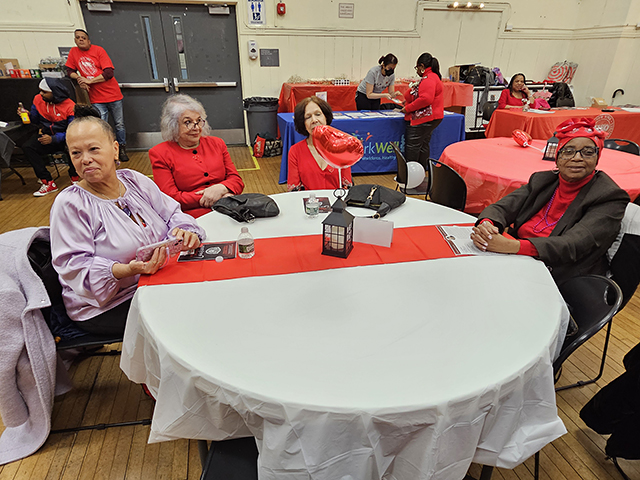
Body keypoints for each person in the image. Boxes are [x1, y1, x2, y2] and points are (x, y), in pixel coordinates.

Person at [50, 108, 204, 336]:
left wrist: (183, 231)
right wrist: (122, 271)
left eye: (93, 149)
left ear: (115, 149)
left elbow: (172, 213)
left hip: (154, 281)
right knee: (187, 315)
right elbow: (73, 267)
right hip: (108, 304)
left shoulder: (133, 180)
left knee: (207, 290)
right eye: (76, 153)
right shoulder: (71, 204)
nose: (86, 159)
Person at [471, 118, 629, 285]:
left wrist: (511, 246)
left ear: (597, 158)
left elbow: (573, 245)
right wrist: (487, 225)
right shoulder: (542, 180)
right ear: (557, 158)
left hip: (560, 273)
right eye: (568, 151)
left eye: (588, 152)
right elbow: (502, 208)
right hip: (516, 258)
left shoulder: (609, 196)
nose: (577, 158)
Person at [149, 94, 245, 218]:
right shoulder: (160, 153)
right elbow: (170, 198)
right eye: (188, 122)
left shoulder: (217, 144)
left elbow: (237, 181)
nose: (196, 128)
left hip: (229, 208)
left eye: (199, 121)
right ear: (173, 125)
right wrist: (213, 197)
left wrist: (221, 188)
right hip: (190, 216)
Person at [65, 28, 129, 163]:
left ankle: (121, 148)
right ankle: (104, 150)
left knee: (119, 124)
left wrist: (90, 81)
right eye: (77, 37)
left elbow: (108, 73)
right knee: (100, 125)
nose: (80, 39)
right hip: (96, 98)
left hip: (113, 95)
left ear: (89, 41)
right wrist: (79, 79)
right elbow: (69, 71)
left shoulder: (98, 50)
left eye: (83, 37)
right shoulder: (73, 52)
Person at [16, 78, 79, 196]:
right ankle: (48, 182)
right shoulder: (38, 100)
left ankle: (75, 179)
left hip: (65, 137)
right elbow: (35, 121)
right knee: (28, 147)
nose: (41, 94)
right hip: (47, 136)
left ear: (54, 92)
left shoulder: (70, 106)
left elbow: (73, 131)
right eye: (40, 91)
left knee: (75, 147)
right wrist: (28, 115)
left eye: (44, 92)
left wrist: (54, 139)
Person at [287, 96, 353, 191]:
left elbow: (347, 187)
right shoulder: (295, 151)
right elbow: (294, 190)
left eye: (318, 114)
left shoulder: (341, 148)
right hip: (308, 200)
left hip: (337, 199)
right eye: (308, 117)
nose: (314, 120)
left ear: (325, 117)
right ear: (303, 123)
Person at [401, 52, 444, 170]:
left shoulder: (428, 79)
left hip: (424, 118)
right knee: (423, 145)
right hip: (432, 117)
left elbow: (426, 99)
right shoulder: (432, 76)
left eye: (417, 67)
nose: (417, 71)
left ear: (422, 66)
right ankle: (421, 171)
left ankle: (411, 173)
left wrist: (408, 108)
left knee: (413, 147)